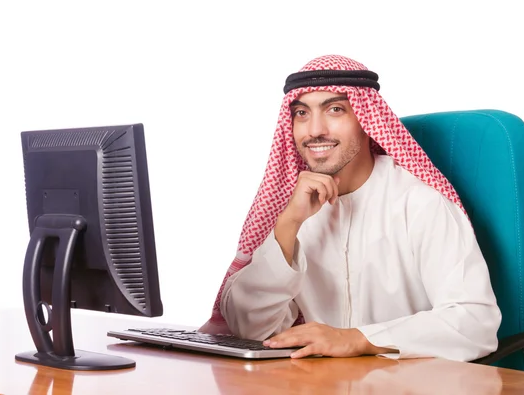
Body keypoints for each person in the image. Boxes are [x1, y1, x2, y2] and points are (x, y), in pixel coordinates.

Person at [198, 54, 502, 361]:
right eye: (302, 113)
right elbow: (250, 330)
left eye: (335, 109)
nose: (314, 129)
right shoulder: (294, 207)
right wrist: (289, 224)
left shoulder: (418, 200)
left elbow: (475, 323)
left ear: (366, 119)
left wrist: (358, 339)